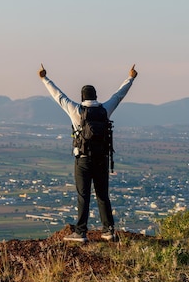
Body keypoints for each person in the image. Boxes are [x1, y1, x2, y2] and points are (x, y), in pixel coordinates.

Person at [38, 63, 138, 242]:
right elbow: (119, 95)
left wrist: (45, 78)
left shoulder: (76, 110)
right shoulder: (105, 110)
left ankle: (81, 232)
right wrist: (130, 78)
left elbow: (58, 95)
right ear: (96, 96)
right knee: (102, 195)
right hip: (102, 159)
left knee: (83, 195)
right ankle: (108, 230)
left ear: (82, 97)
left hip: (83, 160)